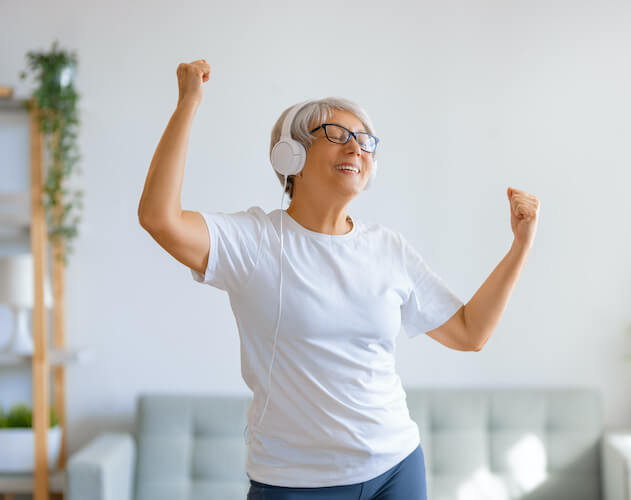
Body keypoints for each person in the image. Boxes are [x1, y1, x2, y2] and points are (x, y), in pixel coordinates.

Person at [138, 59, 540, 500]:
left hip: (396, 467)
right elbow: (160, 218)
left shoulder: (389, 249)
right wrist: (189, 103)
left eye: (364, 141)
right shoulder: (253, 241)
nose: (356, 148)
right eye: (337, 135)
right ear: (290, 156)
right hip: (294, 483)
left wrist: (519, 246)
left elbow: (469, 332)